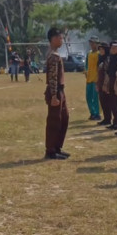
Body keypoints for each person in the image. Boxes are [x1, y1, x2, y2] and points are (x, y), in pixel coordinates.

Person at [43, 28, 70, 160]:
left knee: (64, 118)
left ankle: (57, 147)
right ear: (53, 39)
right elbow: (53, 78)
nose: (61, 40)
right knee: (55, 121)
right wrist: (54, 96)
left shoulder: (55, 54)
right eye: (60, 38)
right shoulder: (53, 56)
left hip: (60, 91)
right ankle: (51, 150)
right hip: (56, 91)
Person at [105, 41, 117, 131]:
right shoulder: (112, 58)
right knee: (112, 103)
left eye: (115, 48)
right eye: (112, 48)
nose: (113, 49)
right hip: (112, 80)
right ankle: (115, 121)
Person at [96, 42, 114, 126]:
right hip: (100, 83)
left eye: (102, 49)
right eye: (99, 49)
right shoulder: (100, 59)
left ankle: (108, 119)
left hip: (106, 84)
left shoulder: (108, 59)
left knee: (108, 102)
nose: (100, 51)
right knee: (102, 102)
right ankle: (106, 118)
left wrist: (105, 84)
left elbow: (107, 73)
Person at [85, 37, 101, 120]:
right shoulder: (89, 53)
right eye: (90, 43)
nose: (92, 44)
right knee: (88, 97)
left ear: (97, 44)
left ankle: (97, 114)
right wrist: (86, 71)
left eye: (93, 43)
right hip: (89, 78)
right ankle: (92, 113)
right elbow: (86, 65)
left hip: (96, 78)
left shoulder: (99, 54)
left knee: (95, 98)